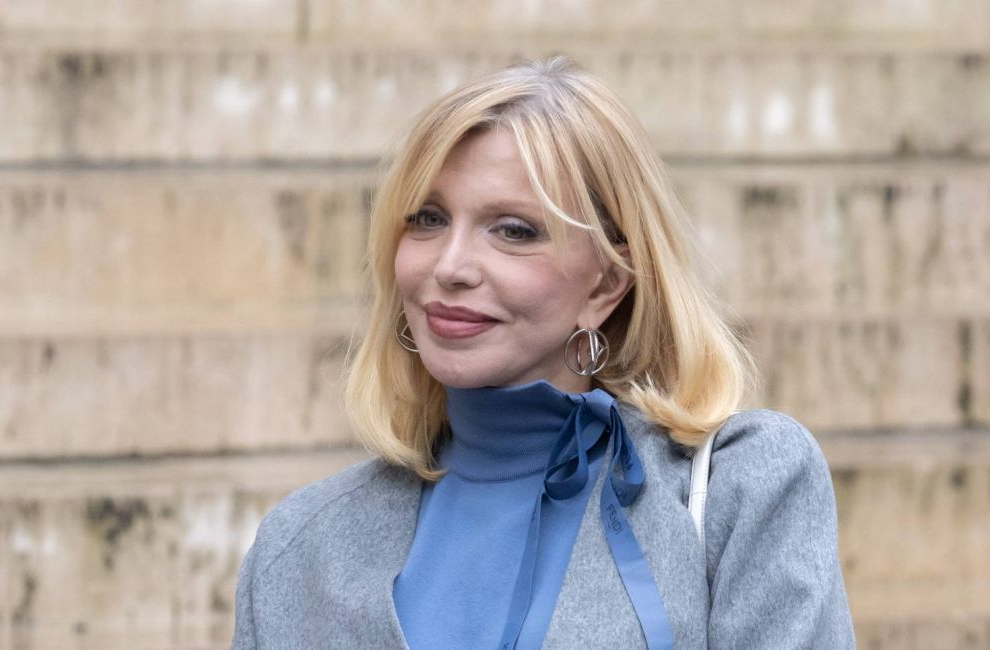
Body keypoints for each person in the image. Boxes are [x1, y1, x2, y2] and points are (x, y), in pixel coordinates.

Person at [231, 56, 855, 649]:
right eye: (426, 219)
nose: (449, 267)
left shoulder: (742, 488)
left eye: (514, 231)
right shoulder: (298, 547)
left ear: (607, 284)